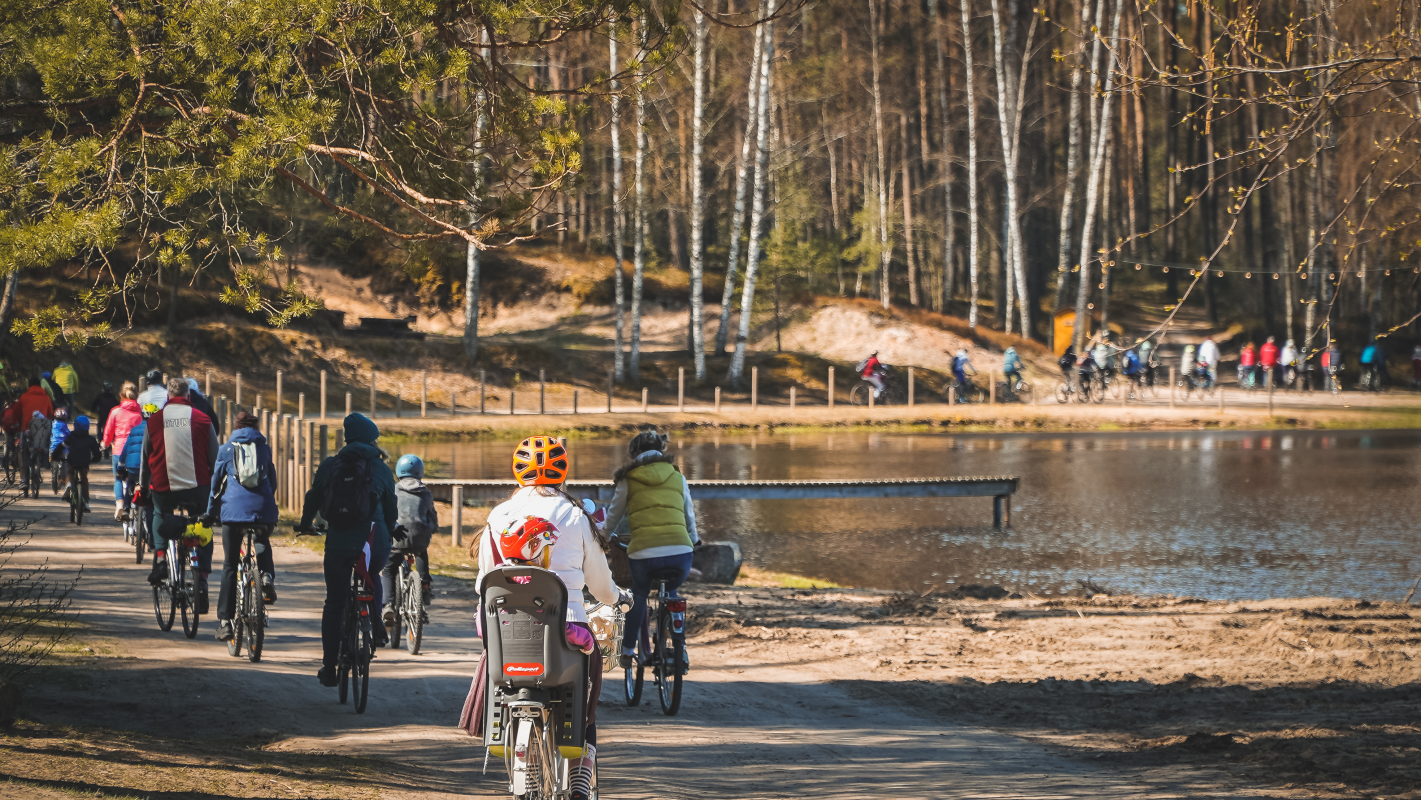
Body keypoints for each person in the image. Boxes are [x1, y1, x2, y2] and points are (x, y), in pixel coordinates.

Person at [478, 435, 630, 800]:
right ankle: (581, 769)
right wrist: (618, 598)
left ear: (518, 474)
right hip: (567, 633)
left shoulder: (497, 516)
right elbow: (601, 585)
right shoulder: (575, 515)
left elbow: (485, 581)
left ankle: (520, 757)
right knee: (587, 686)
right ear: (562, 474)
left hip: (507, 633)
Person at [297, 413, 397, 686]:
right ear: (371, 440)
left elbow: (313, 497)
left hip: (339, 544)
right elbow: (390, 507)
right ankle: (375, 622)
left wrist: (306, 525)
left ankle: (329, 668)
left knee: (335, 601)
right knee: (372, 574)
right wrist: (390, 528)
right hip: (373, 543)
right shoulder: (380, 468)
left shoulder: (331, 465)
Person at [601, 429, 699, 670]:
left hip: (644, 553)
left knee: (640, 593)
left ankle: (627, 651)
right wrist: (694, 539)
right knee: (672, 592)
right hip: (681, 553)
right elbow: (689, 515)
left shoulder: (629, 477)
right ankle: (680, 648)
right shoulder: (677, 475)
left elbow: (613, 516)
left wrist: (603, 537)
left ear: (634, 453)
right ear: (661, 451)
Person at [139, 378, 219, 615]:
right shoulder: (203, 420)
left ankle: (162, 558)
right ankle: (202, 576)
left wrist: (143, 487)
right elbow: (215, 461)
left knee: (160, 514)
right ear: (188, 396)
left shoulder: (154, 421)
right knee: (202, 524)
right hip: (198, 487)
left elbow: (145, 459)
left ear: (168, 397)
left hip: (164, 486)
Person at [206, 410, 279, 642]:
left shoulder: (226, 450)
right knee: (261, 539)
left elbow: (215, 485)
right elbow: (273, 482)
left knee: (229, 566)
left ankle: (225, 622)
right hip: (263, 512)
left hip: (233, 514)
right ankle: (266, 577)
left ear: (235, 428)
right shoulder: (264, 449)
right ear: (257, 429)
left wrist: (210, 513)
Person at [382, 454, 438, 631]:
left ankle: (389, 605)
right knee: (421, 552)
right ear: (420, 471)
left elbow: (387, 513)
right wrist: (433, 529)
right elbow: (432, 515)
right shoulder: (426, 492)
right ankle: (425, 586)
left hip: (396, 537)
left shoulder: (393, 489)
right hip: (420, 537)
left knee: (389, 569)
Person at [102, 383, 144, 520]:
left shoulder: (115, 411)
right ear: (136, 396)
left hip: (119, 450)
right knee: (135, 480)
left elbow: (108, 432)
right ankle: (134, 504)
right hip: (136, 451)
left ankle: (119, 503)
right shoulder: (141, 413)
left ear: (121, 395)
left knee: (118, 478)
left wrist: (106, 444)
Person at [60, 416, 102, 512]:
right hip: (84, 462)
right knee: (84, 479)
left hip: (72, 460)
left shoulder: (70, 437)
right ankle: (86, 502)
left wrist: (55, 456)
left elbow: (61, 447)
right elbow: (97, 453)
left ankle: (68, 484)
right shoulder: (91, 439)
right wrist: (94, 460)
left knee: (70, 472)